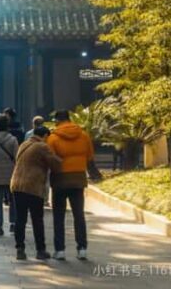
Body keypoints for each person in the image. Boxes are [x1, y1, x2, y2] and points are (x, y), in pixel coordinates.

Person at [47, 109, 95, 260]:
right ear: (69, 119)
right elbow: (90, 156)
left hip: (60, 180)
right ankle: (82, 248)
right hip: (78, 179)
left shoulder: (53, 138)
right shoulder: (84, 135)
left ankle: (60, 250)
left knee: (59, 216)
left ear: (57, 121)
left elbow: (50, 158)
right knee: (78, 215)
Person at [10, 125, 62, 261]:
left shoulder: (24, 144)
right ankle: (40, 250)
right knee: (37, 219)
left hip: (17, 184)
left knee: (20, 219)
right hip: (33, 186)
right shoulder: (42, 147)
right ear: (45, 136)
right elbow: (55, 164)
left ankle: (20, 250)